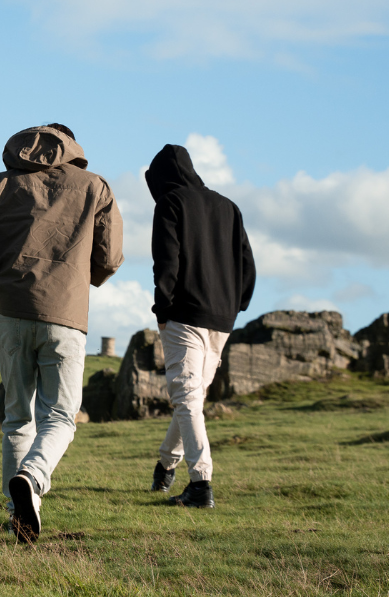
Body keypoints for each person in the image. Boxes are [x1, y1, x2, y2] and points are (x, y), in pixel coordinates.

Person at [0, 123, 123, 543]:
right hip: (65, 315)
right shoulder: (94, 186)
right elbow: (111, 255)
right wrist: (80, 281)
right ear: (71, 147)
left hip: (11, 311)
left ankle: (17, 509)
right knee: (61, 416)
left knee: (17, 417)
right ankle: (32, 478)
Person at [145, 144, 255, 509]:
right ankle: (165, 466)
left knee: (187, 396)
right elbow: (247, 264)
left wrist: (162, 309)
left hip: (185, 313)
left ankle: (200, 484)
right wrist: (235, 305)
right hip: (222, 318)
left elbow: (167, 261)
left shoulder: (171, 203)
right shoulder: (229, 207)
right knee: (191, 397)